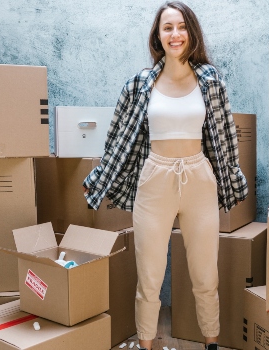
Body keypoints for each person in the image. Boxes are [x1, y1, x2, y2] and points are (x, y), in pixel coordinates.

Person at [83, 2, 247, 349]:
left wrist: (231, 177)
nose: (175, 34)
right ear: (158, 36)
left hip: (198, 178)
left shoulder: (210, 80)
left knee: (206, 277)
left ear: (192, 32)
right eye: (167, 28)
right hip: (154, 180)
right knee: (150, 278)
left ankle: (211, 344)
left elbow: (226, 136)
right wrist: (101, 176)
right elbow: (117, 137)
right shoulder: (139, 83)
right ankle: (146, 344)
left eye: (181, 26)